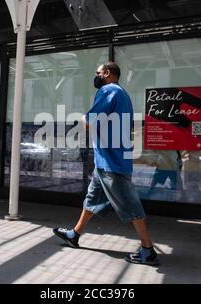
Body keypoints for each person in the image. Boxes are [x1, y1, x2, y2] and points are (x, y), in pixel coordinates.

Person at [53, 62, 159, 266]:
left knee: (130, 204)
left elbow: (91, 120)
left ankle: (148, 249)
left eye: (98, 73)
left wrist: (83, 118)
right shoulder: (123, 94)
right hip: (108, 159)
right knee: (92, 199)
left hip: (112, 161)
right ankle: (74, 235)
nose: (96, 76)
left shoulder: (108, 89)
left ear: (107, 74)